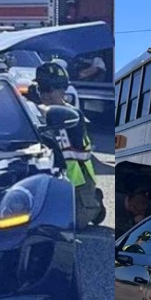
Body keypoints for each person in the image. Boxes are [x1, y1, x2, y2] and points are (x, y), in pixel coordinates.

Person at [34, 61, 105, 230]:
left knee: (72, 225)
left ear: (62, 91)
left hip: (76, 180)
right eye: (41, 89)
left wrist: (41, 111)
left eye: (49, 89)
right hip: (45, 176)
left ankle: (95, 205)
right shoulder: (33, 112)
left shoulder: (73, 115)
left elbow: (51, 115)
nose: (45, 94)